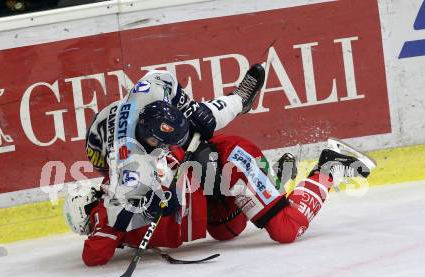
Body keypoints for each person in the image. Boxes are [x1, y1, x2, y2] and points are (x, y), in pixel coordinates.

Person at [64, 64, 375, 266]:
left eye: (87, 223)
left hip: (231, 162)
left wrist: (111, 224)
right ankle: (274, 182)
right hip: (213, 194)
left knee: (285, 229)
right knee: (227, 229)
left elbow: (94, 255)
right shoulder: (128, 168)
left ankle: (329, 167)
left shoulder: (127, 170)